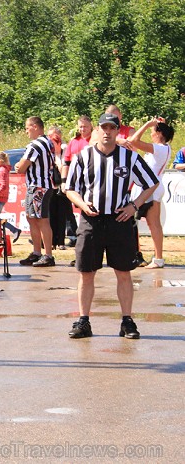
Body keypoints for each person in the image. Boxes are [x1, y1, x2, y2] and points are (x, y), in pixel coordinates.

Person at [64, 113, 159, 339]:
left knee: (124, 272)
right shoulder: (82, 157)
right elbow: (69, 188)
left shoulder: (130, 157)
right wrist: (82, 205)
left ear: (118, 131)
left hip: (119, 221)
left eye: (112, 128)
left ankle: (127, 321)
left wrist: (133, 206)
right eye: (104, 127)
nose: (107, 132)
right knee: (86, 272)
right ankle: (83, 321)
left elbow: (151, 183)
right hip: (91, 221)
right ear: (97, 130)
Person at [127, 117, 174, 268]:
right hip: (150, 188)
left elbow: (134, 141)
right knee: (150, 224)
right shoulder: (162, 148)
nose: (151, 133)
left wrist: (147, 124)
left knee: (154, 225)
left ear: (159, 133)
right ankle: (150, 257)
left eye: (153, 131)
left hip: (151, 189)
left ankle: (159, 259)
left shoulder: (160, 148)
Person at [15, 116, 55, 267]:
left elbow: (22, 166)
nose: (26, 131)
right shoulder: (48, 142)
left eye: (27, 128)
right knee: (32, 218)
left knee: (41, 219)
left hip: (39, 185)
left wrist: (19, 166)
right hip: (41, 185)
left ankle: (48, 255)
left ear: (35, 127)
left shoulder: (35, 145)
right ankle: (37, 252)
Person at [61, 116, 93, 247]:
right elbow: (66, 162)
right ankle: (82, 243)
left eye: (85, 126)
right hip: (76, 182)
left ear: (91, 126)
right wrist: (64, 181)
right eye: (80, 126)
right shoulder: (74, 142)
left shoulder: (94, 140)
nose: (82, 129)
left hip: (90, 182)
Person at [0, 151, 21, 242]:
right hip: (0, 197)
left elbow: (3, 185)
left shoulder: (2, 170)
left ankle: (13, 230)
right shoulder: (2, 169)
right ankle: (13, 230)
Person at [47, 126, 69, 249]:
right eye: (50, 136)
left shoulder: (64, 148)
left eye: (54, 136)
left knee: (62, 214)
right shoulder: (47, 149)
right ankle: (51, 241)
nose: (52, 139)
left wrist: (58, 162)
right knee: (50, 214)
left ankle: (60, 241)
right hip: (50, 185)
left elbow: (64, 166)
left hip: (62, 184)